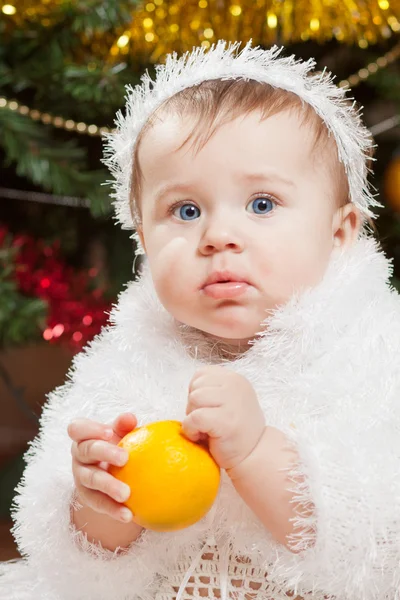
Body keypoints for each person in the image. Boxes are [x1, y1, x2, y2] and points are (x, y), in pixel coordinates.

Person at [1, 40, 400, 600]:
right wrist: (104, 501)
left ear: (339, 232)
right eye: (185, 211)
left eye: (262, 203)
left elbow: (378, 546)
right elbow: (83, 569)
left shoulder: (373, 352)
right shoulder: (130, 357)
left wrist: (256, 451)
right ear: (143, 239)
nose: (218, 236)